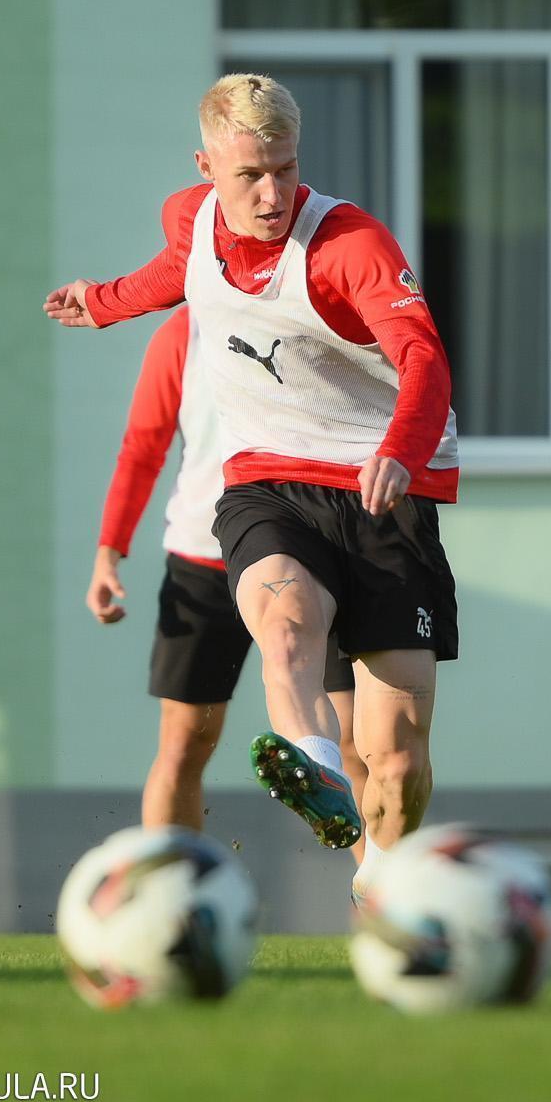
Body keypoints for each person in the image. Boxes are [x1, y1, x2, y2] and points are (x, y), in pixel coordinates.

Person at [46, 74, 459, 900]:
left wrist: (401, 451)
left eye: (285, 169)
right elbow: (171, 272)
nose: (272, 195)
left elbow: (423, 356)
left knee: (397, 753)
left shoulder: (350, 245)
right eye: (250, 176)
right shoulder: (191, 218)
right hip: (268, 480)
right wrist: (103, 302)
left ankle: (382, 886)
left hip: (383, 487)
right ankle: (313, 766)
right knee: (286, 626)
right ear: (206, 168)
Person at [86, 304, 367, 869]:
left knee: (354, 746)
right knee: (185, 742)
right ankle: (168, 892)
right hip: (204, 558)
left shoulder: (309, 308)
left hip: (311, 555)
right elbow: (143, 445)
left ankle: (379, 899)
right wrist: (109, 551)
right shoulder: (182, 332)